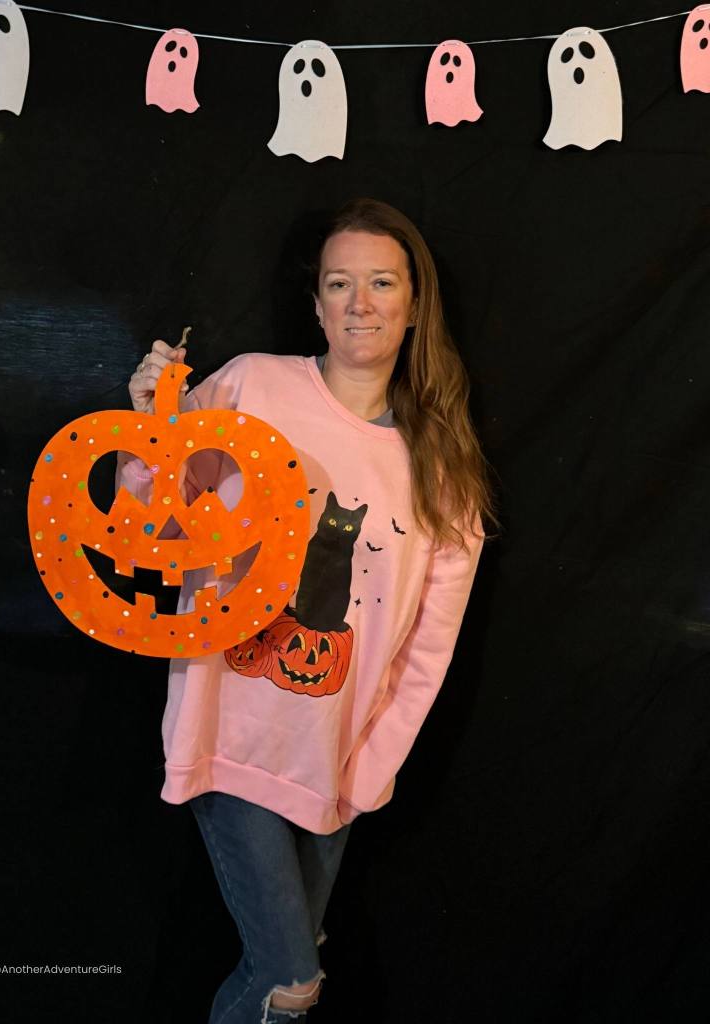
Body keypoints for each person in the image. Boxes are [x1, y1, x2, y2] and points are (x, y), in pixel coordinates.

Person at [119, 198, 495, 1023]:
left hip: (337, 764)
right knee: (292, 985)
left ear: (413, 303)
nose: (361, 303)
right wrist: (150, 428)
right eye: (340, 283)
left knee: (285, 974)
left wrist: (370, 769)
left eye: (382, 283)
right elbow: (151, 528)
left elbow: (430, 649)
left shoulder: (444, 465)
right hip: (231, 729)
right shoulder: (252, 383)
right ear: (317, 303)